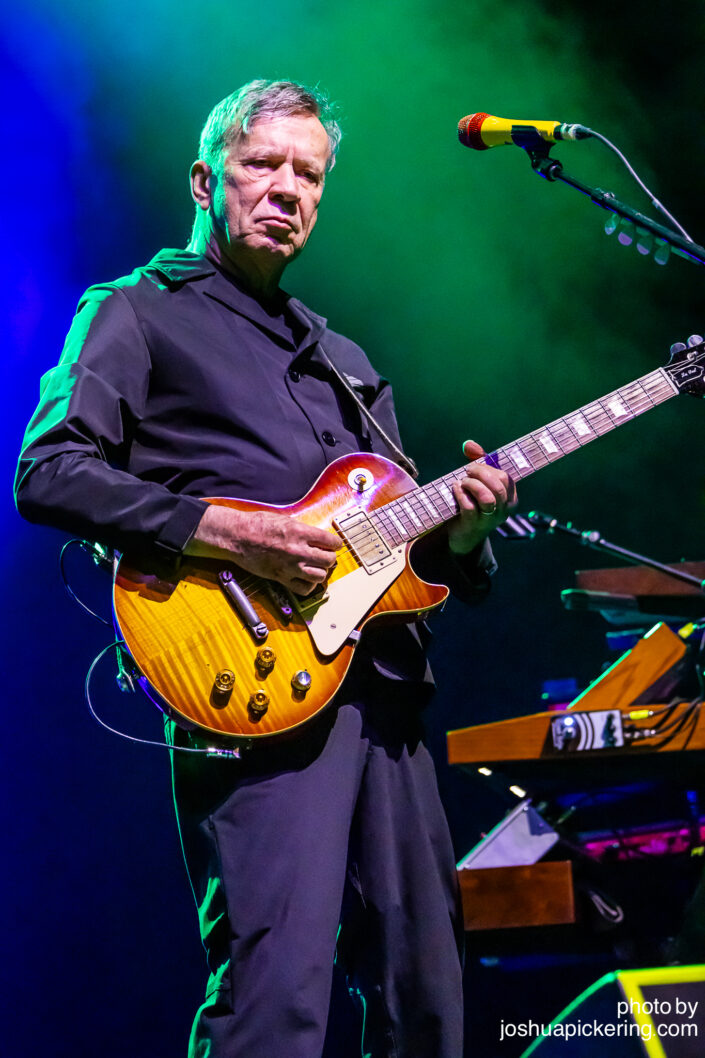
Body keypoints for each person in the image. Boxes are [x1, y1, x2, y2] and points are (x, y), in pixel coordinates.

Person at [15, 79, 516, 1058]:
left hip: (382, 699)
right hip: (250, 680)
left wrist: (462, 537)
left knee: (428, 994)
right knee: (274, 995)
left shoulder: (345, 360)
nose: (287, 189)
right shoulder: (135, 312)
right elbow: (49, 470)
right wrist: (231, 534)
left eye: (309, 175)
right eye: (263, 165)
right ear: (206, 181)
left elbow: (398, 557)